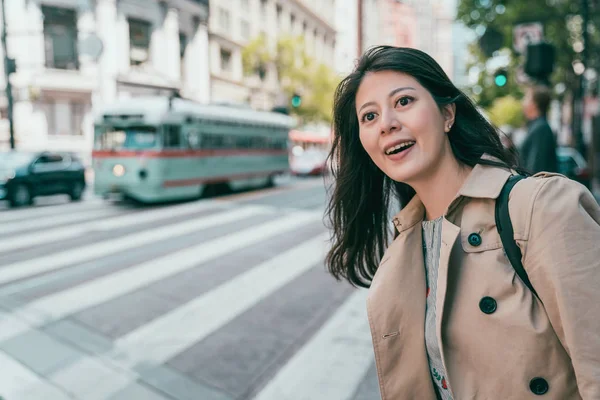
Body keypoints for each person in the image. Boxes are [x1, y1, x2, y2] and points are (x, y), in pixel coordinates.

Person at [325, 46, 600, 399]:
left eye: (404, 102)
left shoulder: (541, 208)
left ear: (447, 114)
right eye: (369, 116)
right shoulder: (404, 247)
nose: (387, 124)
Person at [520, 84, 558, 173]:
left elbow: (536, 169)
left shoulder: (541, 129)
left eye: (526, 98)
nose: (523, 102)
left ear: (534, 104)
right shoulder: (537, 127)